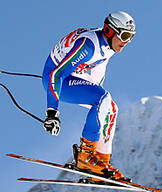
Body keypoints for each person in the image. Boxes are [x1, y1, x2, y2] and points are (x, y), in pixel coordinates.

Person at [41, 11, 136, 182]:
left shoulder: (109, 46)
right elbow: (56, 74)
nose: (127, 42)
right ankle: (86, 156)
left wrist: (100, 102)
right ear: (110, 31)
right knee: (103, 99)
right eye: (125, 35)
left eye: (131, 37)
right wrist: (52, 114)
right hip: (58, 79)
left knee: (111, 108)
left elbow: (97, 75)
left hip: (75, 75)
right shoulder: (89, 45)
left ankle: (102, 165)